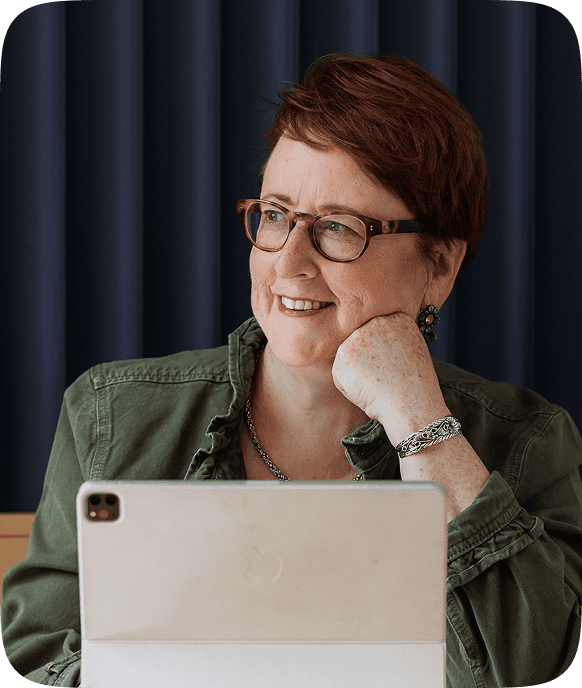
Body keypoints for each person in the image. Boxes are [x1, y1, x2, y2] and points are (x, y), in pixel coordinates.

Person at [2, 53, 581, 688]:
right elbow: (40, 644)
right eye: (276, 215)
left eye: (338, 227)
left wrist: (422, 424)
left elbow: (522, 666)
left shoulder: (528, 443)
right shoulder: (110, 412)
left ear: (438, 267)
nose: (288, 263)